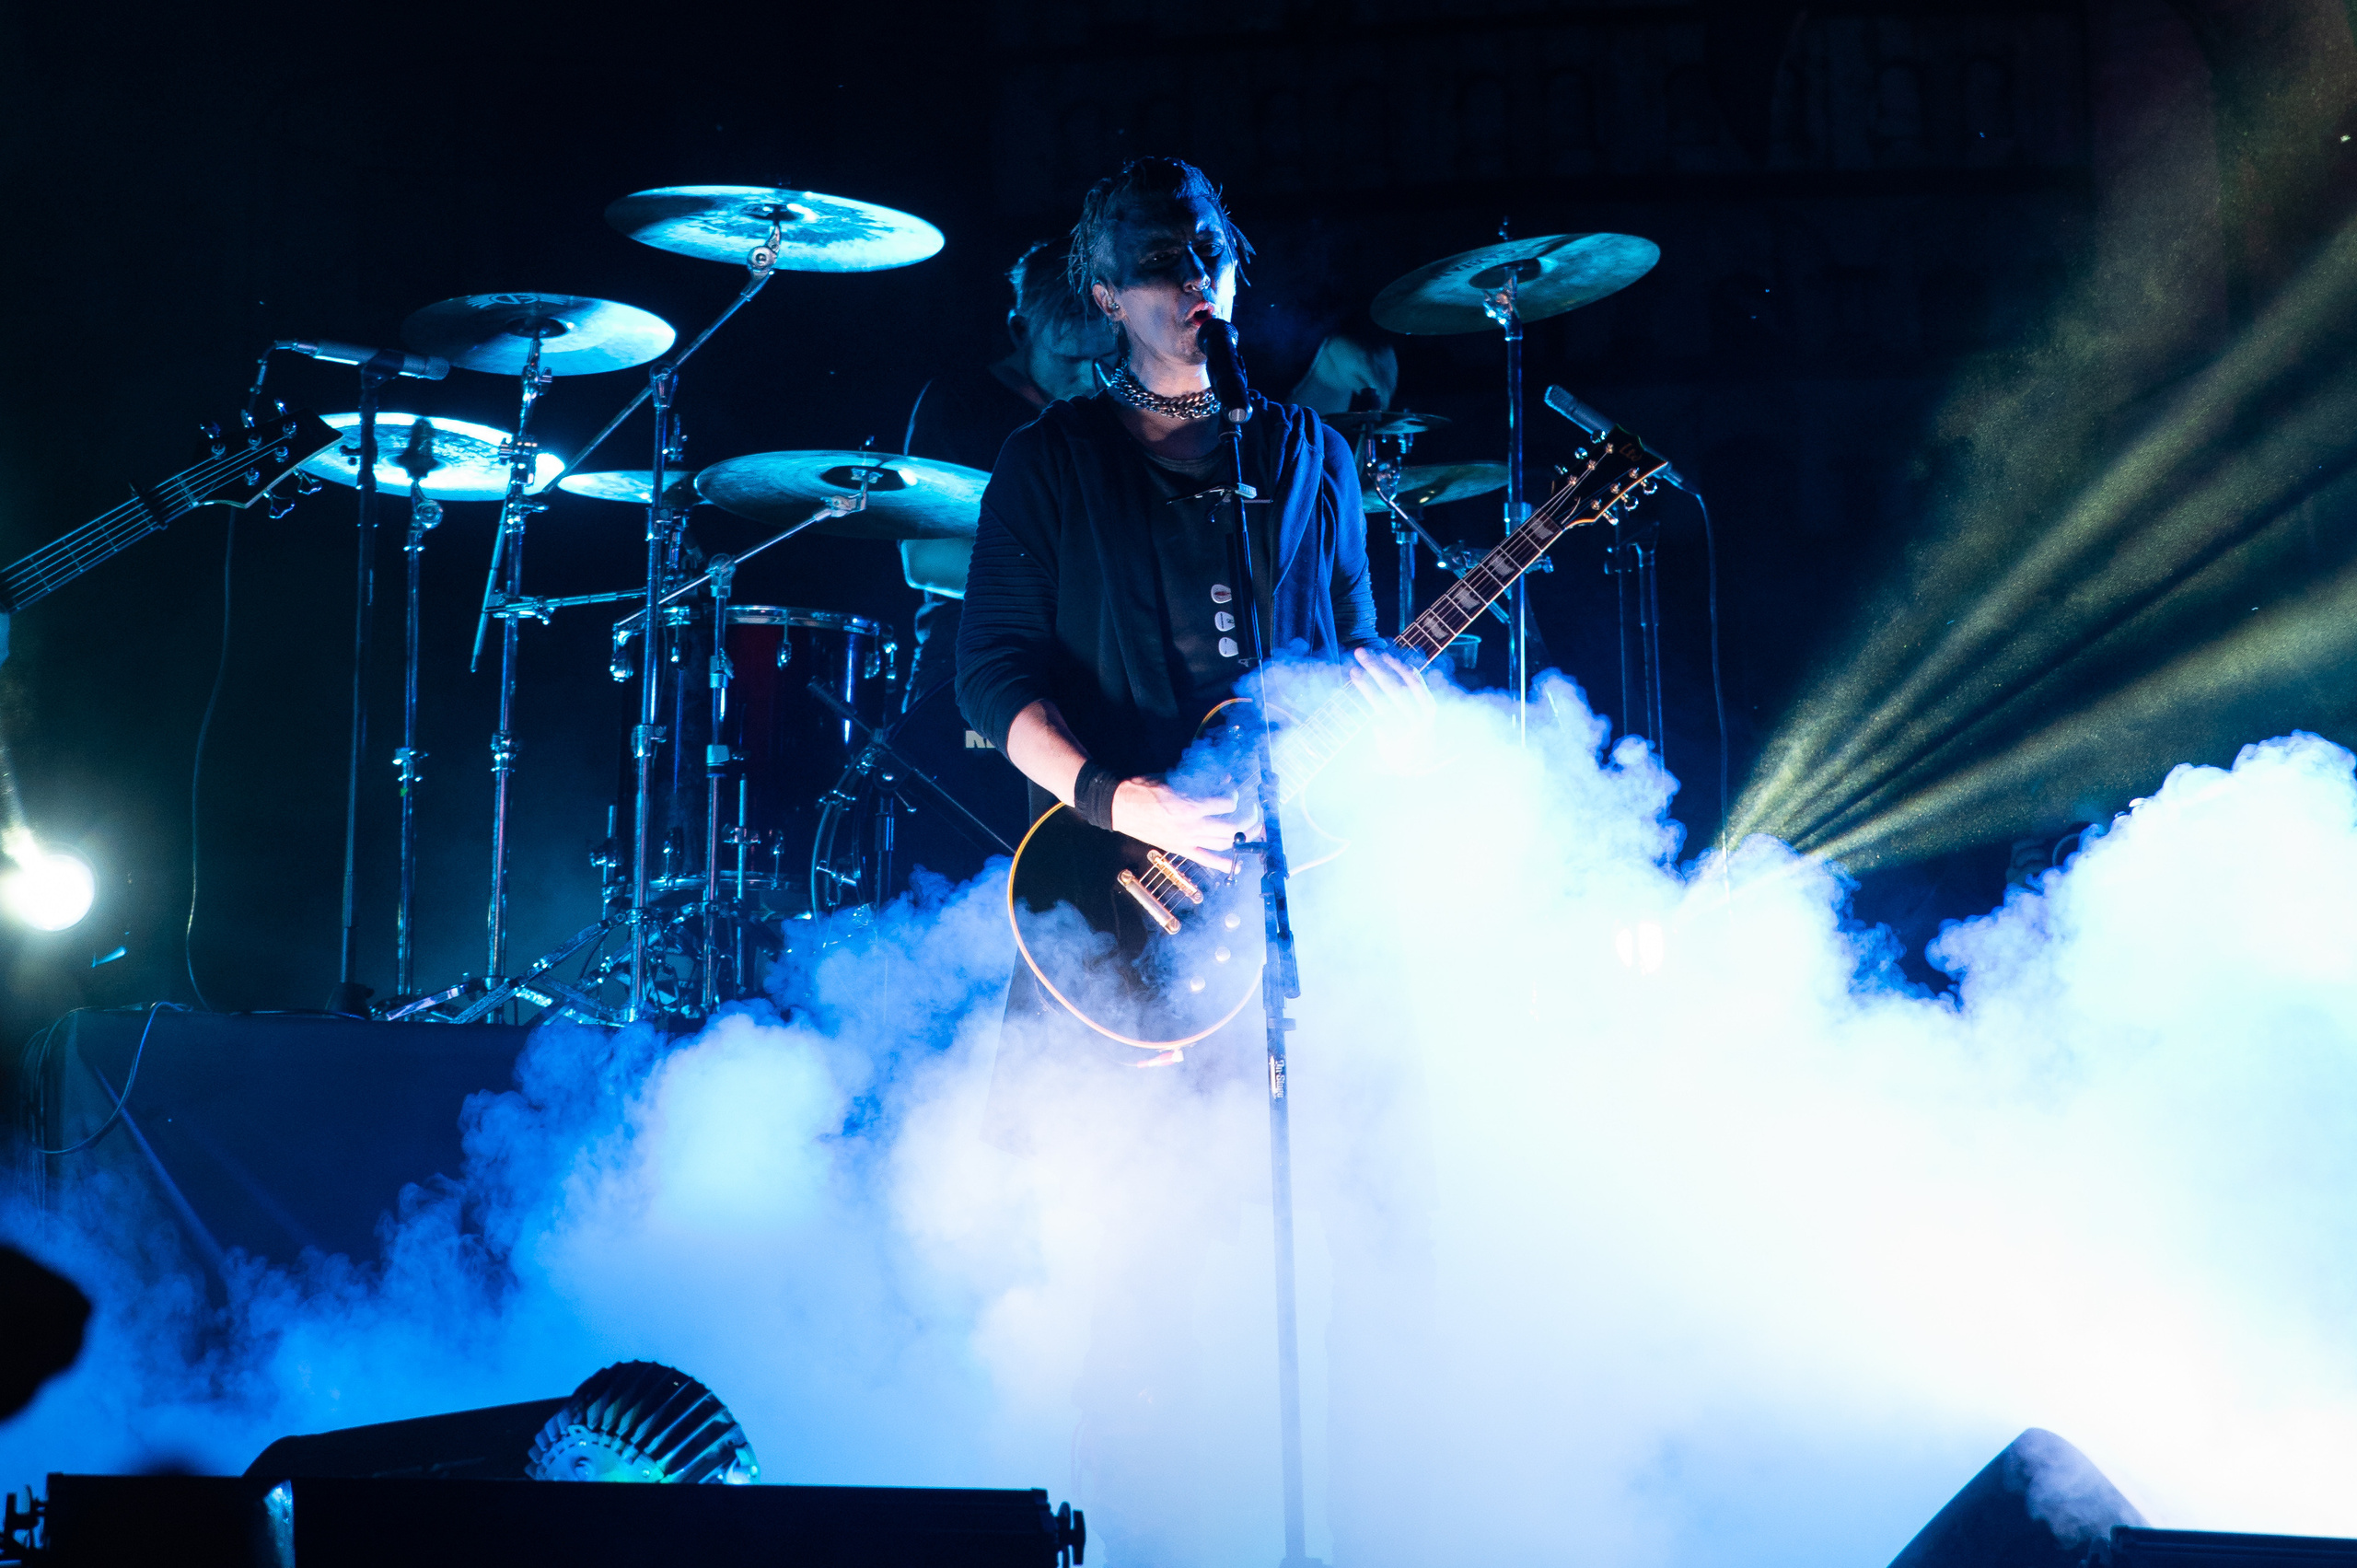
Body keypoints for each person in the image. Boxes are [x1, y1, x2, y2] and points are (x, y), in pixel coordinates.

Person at [953, 156, 1430, 1567]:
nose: (1188, 282)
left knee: (1286, 1242)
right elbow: (989, 686)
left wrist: (1384, 720)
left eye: (1206, 253)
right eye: (1158, 260)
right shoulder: (1050, 465)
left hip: (1268, 921)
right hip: (1114, 907)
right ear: (1104, 292)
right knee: (1117, 1257)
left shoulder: (1309, 458)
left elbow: (1336, 666)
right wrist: (1122, 797)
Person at [900, 241, 1119, 705]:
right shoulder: (959, 403)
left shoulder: (1111, 412)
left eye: (1103, 360)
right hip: (976, 663)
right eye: (1070, 361)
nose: (1089, 380)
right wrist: (1082, 586)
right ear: (1020, 330)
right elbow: (925, 561)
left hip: (1094, 671)